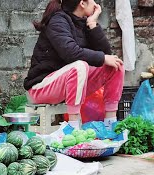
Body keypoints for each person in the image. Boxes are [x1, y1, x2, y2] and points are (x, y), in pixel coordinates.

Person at [24, 0, 125, 130]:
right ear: (82, 3)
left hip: (69, 85)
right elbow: (71, 53)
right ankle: (74, 127)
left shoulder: (83, 23)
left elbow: (106, 55)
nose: (95, 3)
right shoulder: (57, 21)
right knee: (79, 66)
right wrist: (103, 58)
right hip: (41, 87)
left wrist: (92, 23)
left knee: (115, 65)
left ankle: (111, 124)